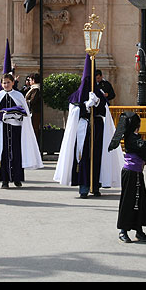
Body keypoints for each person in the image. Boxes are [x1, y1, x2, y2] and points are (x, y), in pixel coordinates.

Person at [54, 54, 122, 198]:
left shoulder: (99, 94)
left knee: (97, 156)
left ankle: (95, 185)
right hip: (82, 129)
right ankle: (84, 186)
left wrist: (98, 103)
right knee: (83, 157)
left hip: (97, 128)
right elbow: (74, 112)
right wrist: (85, 106)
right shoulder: (76, 96)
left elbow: (105, 112)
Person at [0, 73, 43, 188]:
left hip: (15, 129)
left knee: (16, 153)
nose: (6, 85)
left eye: (8, 82)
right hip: (2, 129)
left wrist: (15, 115)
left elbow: (24, 113)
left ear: (12, 83)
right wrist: (3, 116)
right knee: (2, 154)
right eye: (4, 83)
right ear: (1, 84)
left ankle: (17, 178)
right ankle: (4, 180)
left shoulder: (18, 96)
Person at [109, 111, 146, 243]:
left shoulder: (135, 136)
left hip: (137, 173)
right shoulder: (131, 138)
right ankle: (123, 230)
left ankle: (139, 230)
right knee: (129, 201)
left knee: (139, 201)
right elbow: (143, 148)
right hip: (130, 173)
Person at [24, 73, 42, 142]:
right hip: (33, 111)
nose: (29, 81)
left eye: (30, 80)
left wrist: (24, 101)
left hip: (35, 112)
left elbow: (32, 101)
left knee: (34, 129)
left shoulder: (36, 89)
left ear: (33, 80)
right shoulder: (33, 88)